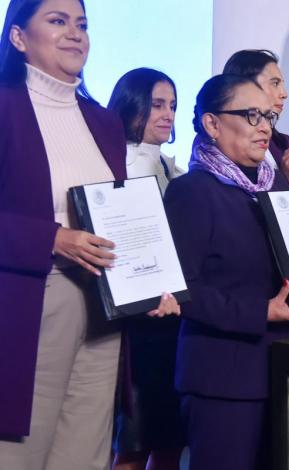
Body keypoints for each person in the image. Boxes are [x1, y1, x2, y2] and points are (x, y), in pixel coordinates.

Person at [163, 74, 289, 470]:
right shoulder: (193, 191)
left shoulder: (274, 192)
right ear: (212, 124)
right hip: (225, 379)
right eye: (251, 115)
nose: (265, 126)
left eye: (268, 116)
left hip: (287, 371)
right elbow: (182, 289)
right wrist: (260, 312)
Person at [0, 1, 124, 468]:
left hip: (102, 301)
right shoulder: (5, 107)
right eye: (57, 21)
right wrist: (52, 237)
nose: (75, 34)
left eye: (82, 24)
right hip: (29, 300)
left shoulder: (103, 121)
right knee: (18, 453)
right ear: (18, 37)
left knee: (85, 452)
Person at [107, 67, 186, 470]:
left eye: (172, 105)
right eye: (157, 104)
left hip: (175, 317)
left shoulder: (175, 169)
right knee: (134, 439)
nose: (167, 114)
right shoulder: (111, 165)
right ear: (131, 104)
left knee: (170, 435)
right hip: (135, 323)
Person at [223, 49, 289, 187]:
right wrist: (284, 179)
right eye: (275, 83)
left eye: (282, 84)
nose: (284, 94)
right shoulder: (221, 145)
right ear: (245, 84)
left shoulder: (283, 143)